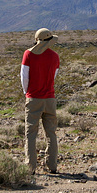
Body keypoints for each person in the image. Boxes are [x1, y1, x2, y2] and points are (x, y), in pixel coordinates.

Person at [21, 28, 60, 174]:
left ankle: (30, 167)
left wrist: (28, 93)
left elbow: (24, 77)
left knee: (31, 133)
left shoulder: (28, 54)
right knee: (51, 133)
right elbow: (54, 76)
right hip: (50, 99)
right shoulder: (55, 56)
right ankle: (52, 165)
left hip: (33, 98)